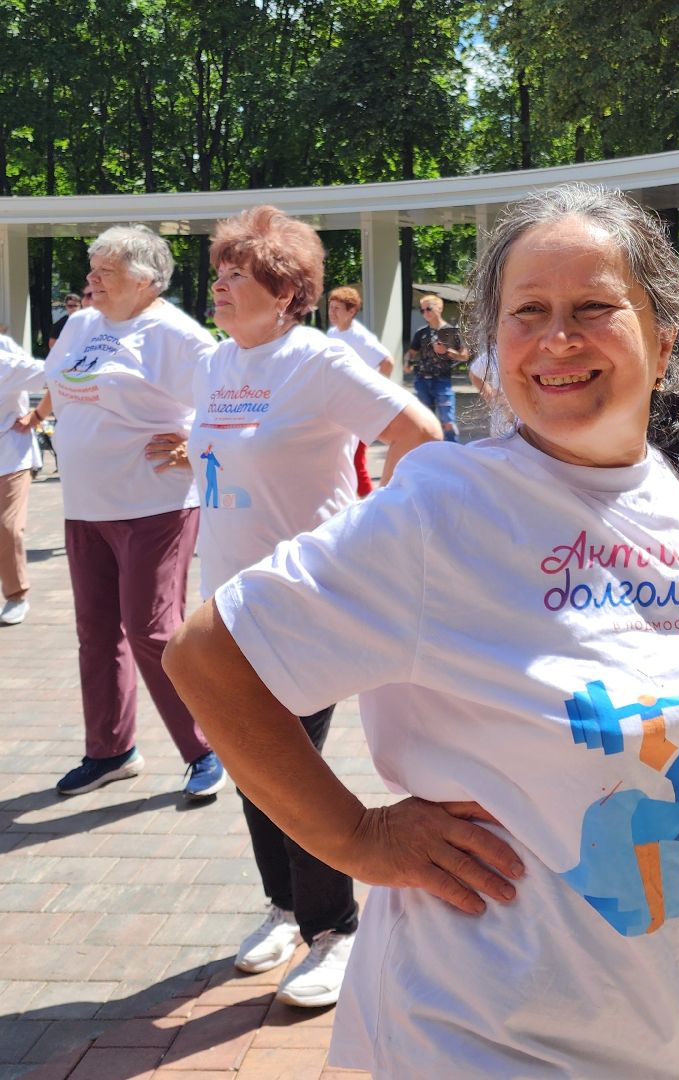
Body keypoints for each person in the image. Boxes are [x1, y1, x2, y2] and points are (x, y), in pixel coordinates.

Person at [162, 183, 679, 1076]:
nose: (557, 339)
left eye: (594, 308)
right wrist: (359, 838)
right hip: (487, 1034)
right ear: (492, 345)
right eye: (527, 314)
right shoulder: (447, 507)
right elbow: (208, 656)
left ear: (665, 340)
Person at [148, 206, 441, 1007]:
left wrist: (369, 529)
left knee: (283, 759)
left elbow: (419, 430)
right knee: (250, 763)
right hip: (228, 599)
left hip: (303, 599)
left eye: (237, 275)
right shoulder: (214, 365)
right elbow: (227, 451)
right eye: (219, 273)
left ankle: (334, 928)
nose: (220, 286)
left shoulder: (315, 360)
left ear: (286, 293)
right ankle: (284, 906)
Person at [23, 225, 224, 799]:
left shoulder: (176, 336)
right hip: (85, 506)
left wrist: (196, 446)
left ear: (143, 280)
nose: (89, 282)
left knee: (151, 630)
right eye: (91, 271)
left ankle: (205, 746)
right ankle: (110, 751)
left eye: (101, 273)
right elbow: (59, 386)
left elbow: (223, 400)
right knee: (96, 633)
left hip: (156, 506)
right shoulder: (83, 324)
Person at [326, 285, 396, 497]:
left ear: (351, 311)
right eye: (330, 307)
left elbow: (387, 362)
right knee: (341, 456)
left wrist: (372, 395)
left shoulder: (360, 336)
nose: (332, 313)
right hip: (338, 404)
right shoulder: (332, 333)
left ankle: (369, 505)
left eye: (337, 308)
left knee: (356, 458)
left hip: (357, 405)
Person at [1, 333, 43, 625]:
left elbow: (57, 377)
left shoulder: (6, 359)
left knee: (7, 526)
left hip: (10, 455)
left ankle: (16, 594)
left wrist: (37, 415)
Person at [404, 294, 470, 443]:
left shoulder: (451, 331)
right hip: (421, 381)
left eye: (428, 309)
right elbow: (411, 352)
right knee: (425, 422)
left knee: (447, 421)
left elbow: (464, 356)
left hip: (442, 380)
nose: (425, 313)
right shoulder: (421, 332)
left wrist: (447, 351)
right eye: (422, 310)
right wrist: (407, 362)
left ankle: (451, 454)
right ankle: (430, 455)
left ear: (440, 308)